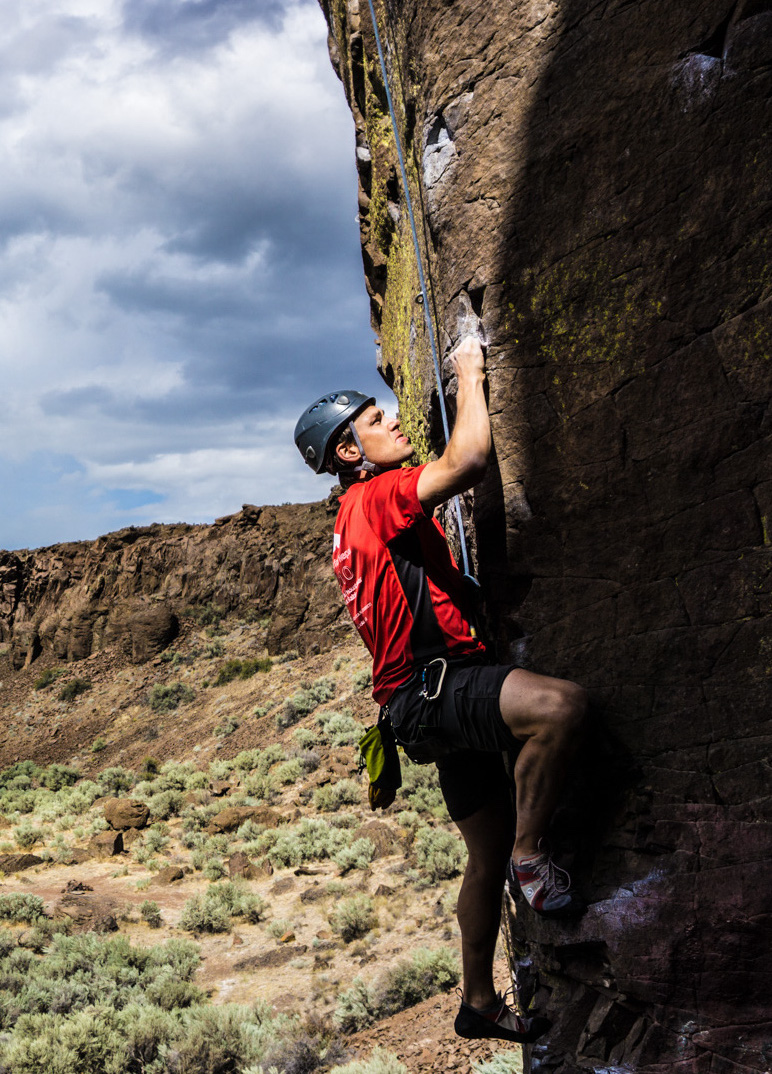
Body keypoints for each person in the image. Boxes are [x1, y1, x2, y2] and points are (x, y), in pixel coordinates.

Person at [294, 337, 588, 1044]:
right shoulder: (376, 497)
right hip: (443, 688)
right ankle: (532, 853)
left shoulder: (350, 520)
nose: (393, 421)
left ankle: (478, 1001)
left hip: (416, 707)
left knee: (479, 860)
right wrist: (469, 374)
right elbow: (468, 462)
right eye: (375, 419)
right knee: (560, 709)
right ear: (348, 453)